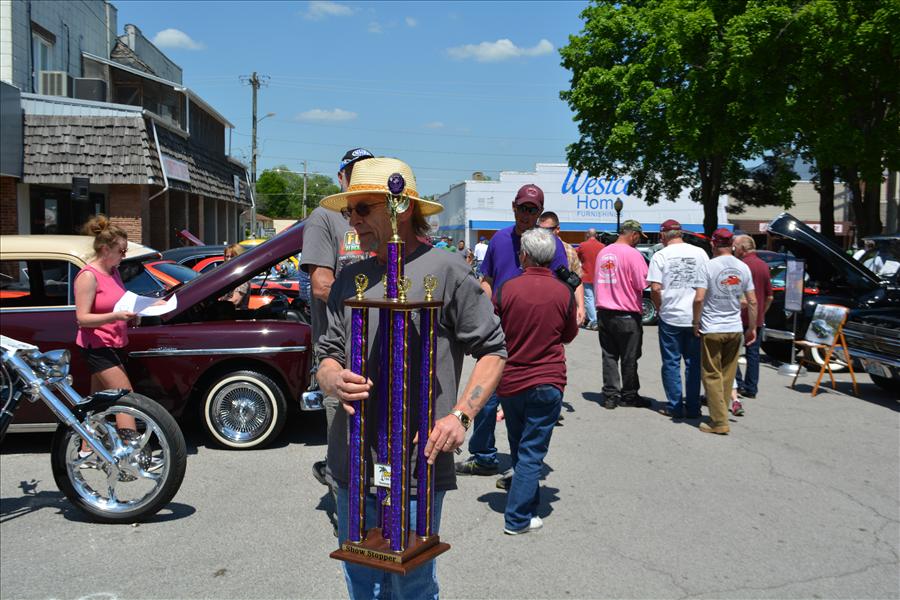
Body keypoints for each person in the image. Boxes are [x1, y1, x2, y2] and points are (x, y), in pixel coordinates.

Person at [315, 157, 507, 598]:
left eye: (363, 209)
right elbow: (327, 354)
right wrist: (332, 378)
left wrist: (461, 415)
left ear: (399, 208)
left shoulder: (448, 270)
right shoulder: (351, 277)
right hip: (353, 459)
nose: (353, 220)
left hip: (418, 461)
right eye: (349, 211)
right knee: (360, 579)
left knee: (412, 584)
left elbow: (493, 351)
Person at [455, 183, 569, 478]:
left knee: (526, 398)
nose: (525, 214)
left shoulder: (550, 244)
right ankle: (484, 455)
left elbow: (563, 285)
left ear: (539, 212)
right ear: (514, 207)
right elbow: (487, 279)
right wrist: (482, 312)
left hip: (531, 332)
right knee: (485, 395)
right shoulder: (500, 239)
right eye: (521, 208)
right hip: (499, 328)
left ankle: (523, 468)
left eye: (532, 209)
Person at [494, 228, 579, 534]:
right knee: (531, 451)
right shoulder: (563, 292)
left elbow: (493, 330)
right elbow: (569, 334)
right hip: (547, 378)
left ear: (525, 255)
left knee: (520, 445)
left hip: (512, 378)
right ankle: (518, 517)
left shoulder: (506, 289)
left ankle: (526, 505)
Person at [301, 147, 373, 490]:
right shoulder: (324, 217)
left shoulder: (379, 215)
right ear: (341, 176)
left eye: (367, 169)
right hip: (339, 349)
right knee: (344, 436)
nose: (360, 176)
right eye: (353, 170)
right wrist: (374, 305)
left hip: (378, 343)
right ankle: (343, 499)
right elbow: (320, 285)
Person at [74, 214, 137, 441]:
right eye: (121, 251)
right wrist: (116, 316)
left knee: (97, 401)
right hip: (97, 346)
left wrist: (131, 315)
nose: (124, 255)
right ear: (105, 249)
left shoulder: (114, 272)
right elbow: (82, 318)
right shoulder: (88, 276)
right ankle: (131, 447)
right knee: (126, 398)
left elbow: (118, 302)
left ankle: (86, 447)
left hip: (115, 342)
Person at [692, 228, 757, 435]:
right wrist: (752, 327)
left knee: (711, 374)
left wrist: (695, 322)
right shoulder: (743, 267)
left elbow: (699, 298)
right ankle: (721, 414)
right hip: (735, 327)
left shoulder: (708, 266)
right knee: (728, 375)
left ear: (713, 244)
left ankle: (719, 421)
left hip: (712, 327)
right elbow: (752, 300)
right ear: (732, 245)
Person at [646, 219, 709, 419]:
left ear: (663, 236)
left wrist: (659, 307)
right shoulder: (700, 253)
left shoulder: (660, 255)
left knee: (671, 362)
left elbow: (655, 288)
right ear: (680, 234)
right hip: (695, 315)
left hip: (671, 315)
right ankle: (693, 407)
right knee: (693, 363)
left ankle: (675, 406)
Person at [594, 220, 649, 409]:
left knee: (609, 355)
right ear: (633, 234)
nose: (639, 241)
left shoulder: (603, 252)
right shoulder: (633, 254)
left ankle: (610, 395)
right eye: (639, 237)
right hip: (627, 312)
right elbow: (642, 283)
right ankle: (629, 395)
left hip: (604, 311)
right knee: (629, 357)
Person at [733, 234, 773, 409]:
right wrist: (761, 313)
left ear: (742, 248)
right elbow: (770, 296)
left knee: (732, 352)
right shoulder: (763, 265)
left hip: (738, 315)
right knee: (753, 353)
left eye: (735, 247)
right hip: (756, 318)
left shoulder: (740, 266)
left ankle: (738, 383)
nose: (734, 250)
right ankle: (751, 387)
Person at [538, 211, 586, 327]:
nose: (543, 234)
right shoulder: (534, 247)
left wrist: (581, 307)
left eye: (547, 230)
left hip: (560, 306)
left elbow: (577, 280)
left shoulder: (569, 250)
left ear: (557, 229)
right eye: (540, 230)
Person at [577, 227, 604, 330]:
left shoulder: (583, 245)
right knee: (597, 299)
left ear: (587, 235)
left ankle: (594, 320)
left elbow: (577, 256)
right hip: (599, 276)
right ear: (596, 235)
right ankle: (592, 319)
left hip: (587, 275)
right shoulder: (602, 246)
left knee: (589, 298)